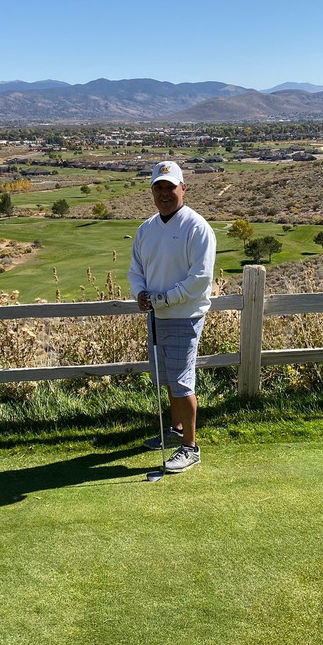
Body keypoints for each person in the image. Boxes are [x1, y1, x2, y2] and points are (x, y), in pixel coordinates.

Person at [128, 161, 216, 473]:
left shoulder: (196, 227)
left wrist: (166, 299)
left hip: (183, 315)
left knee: (181, 382)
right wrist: (139, 292)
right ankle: (176, 428)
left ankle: (190, 447)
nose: (165, 193)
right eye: (159, 188)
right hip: (155, 315)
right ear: (152, 190)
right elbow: (136, 268)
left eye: (170, 187)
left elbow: (200, 279)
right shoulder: (147, 229)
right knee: (165, 378)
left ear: (183, 188)